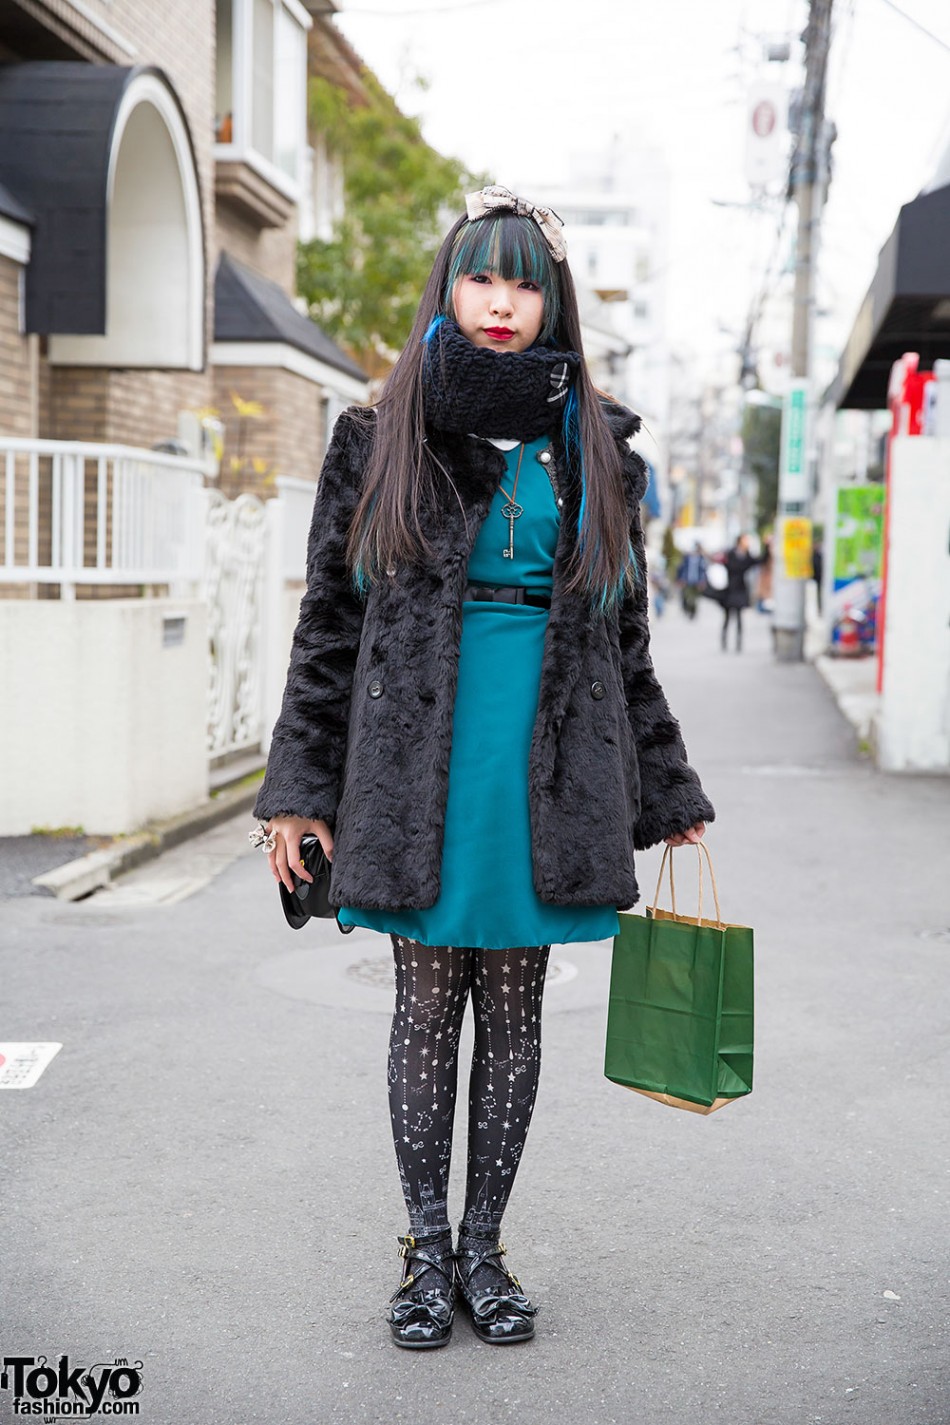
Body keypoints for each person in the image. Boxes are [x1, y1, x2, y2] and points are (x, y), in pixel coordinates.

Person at [250, 185, 714, 1351]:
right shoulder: (378, 434)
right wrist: (298, 792)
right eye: (479, 278)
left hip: (547, 767)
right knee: (423, 1008)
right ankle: (423, 1254)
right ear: (447, 290)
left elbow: (623, 642)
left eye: (522, 283)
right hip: (414, 765)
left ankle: (488, 1253)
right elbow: (327, 630)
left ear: (550, 300)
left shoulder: (601, 449)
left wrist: (666, 792)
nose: (499, 303)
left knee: (512, 1012)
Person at [720, 533, 769, 652]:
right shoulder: (730, 554)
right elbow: (726, 565)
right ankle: (724, 641)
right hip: (729, 588)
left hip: (740, 588)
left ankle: (738, 642)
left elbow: (761, 561)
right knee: (727, 617)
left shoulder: (747, 556)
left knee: (739, 617)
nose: (747, 542)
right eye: (745, 540)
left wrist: (767, 546)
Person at [675, 542, 707, 619]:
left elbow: (703, 571)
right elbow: (681, 569)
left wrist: (702, 581)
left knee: (695, 599)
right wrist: (680, 579)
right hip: (687, 581)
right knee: (686, 597)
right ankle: (687, 609)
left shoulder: (701, 559)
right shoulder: (686, 558)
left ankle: (693, 612)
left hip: (696, 582)